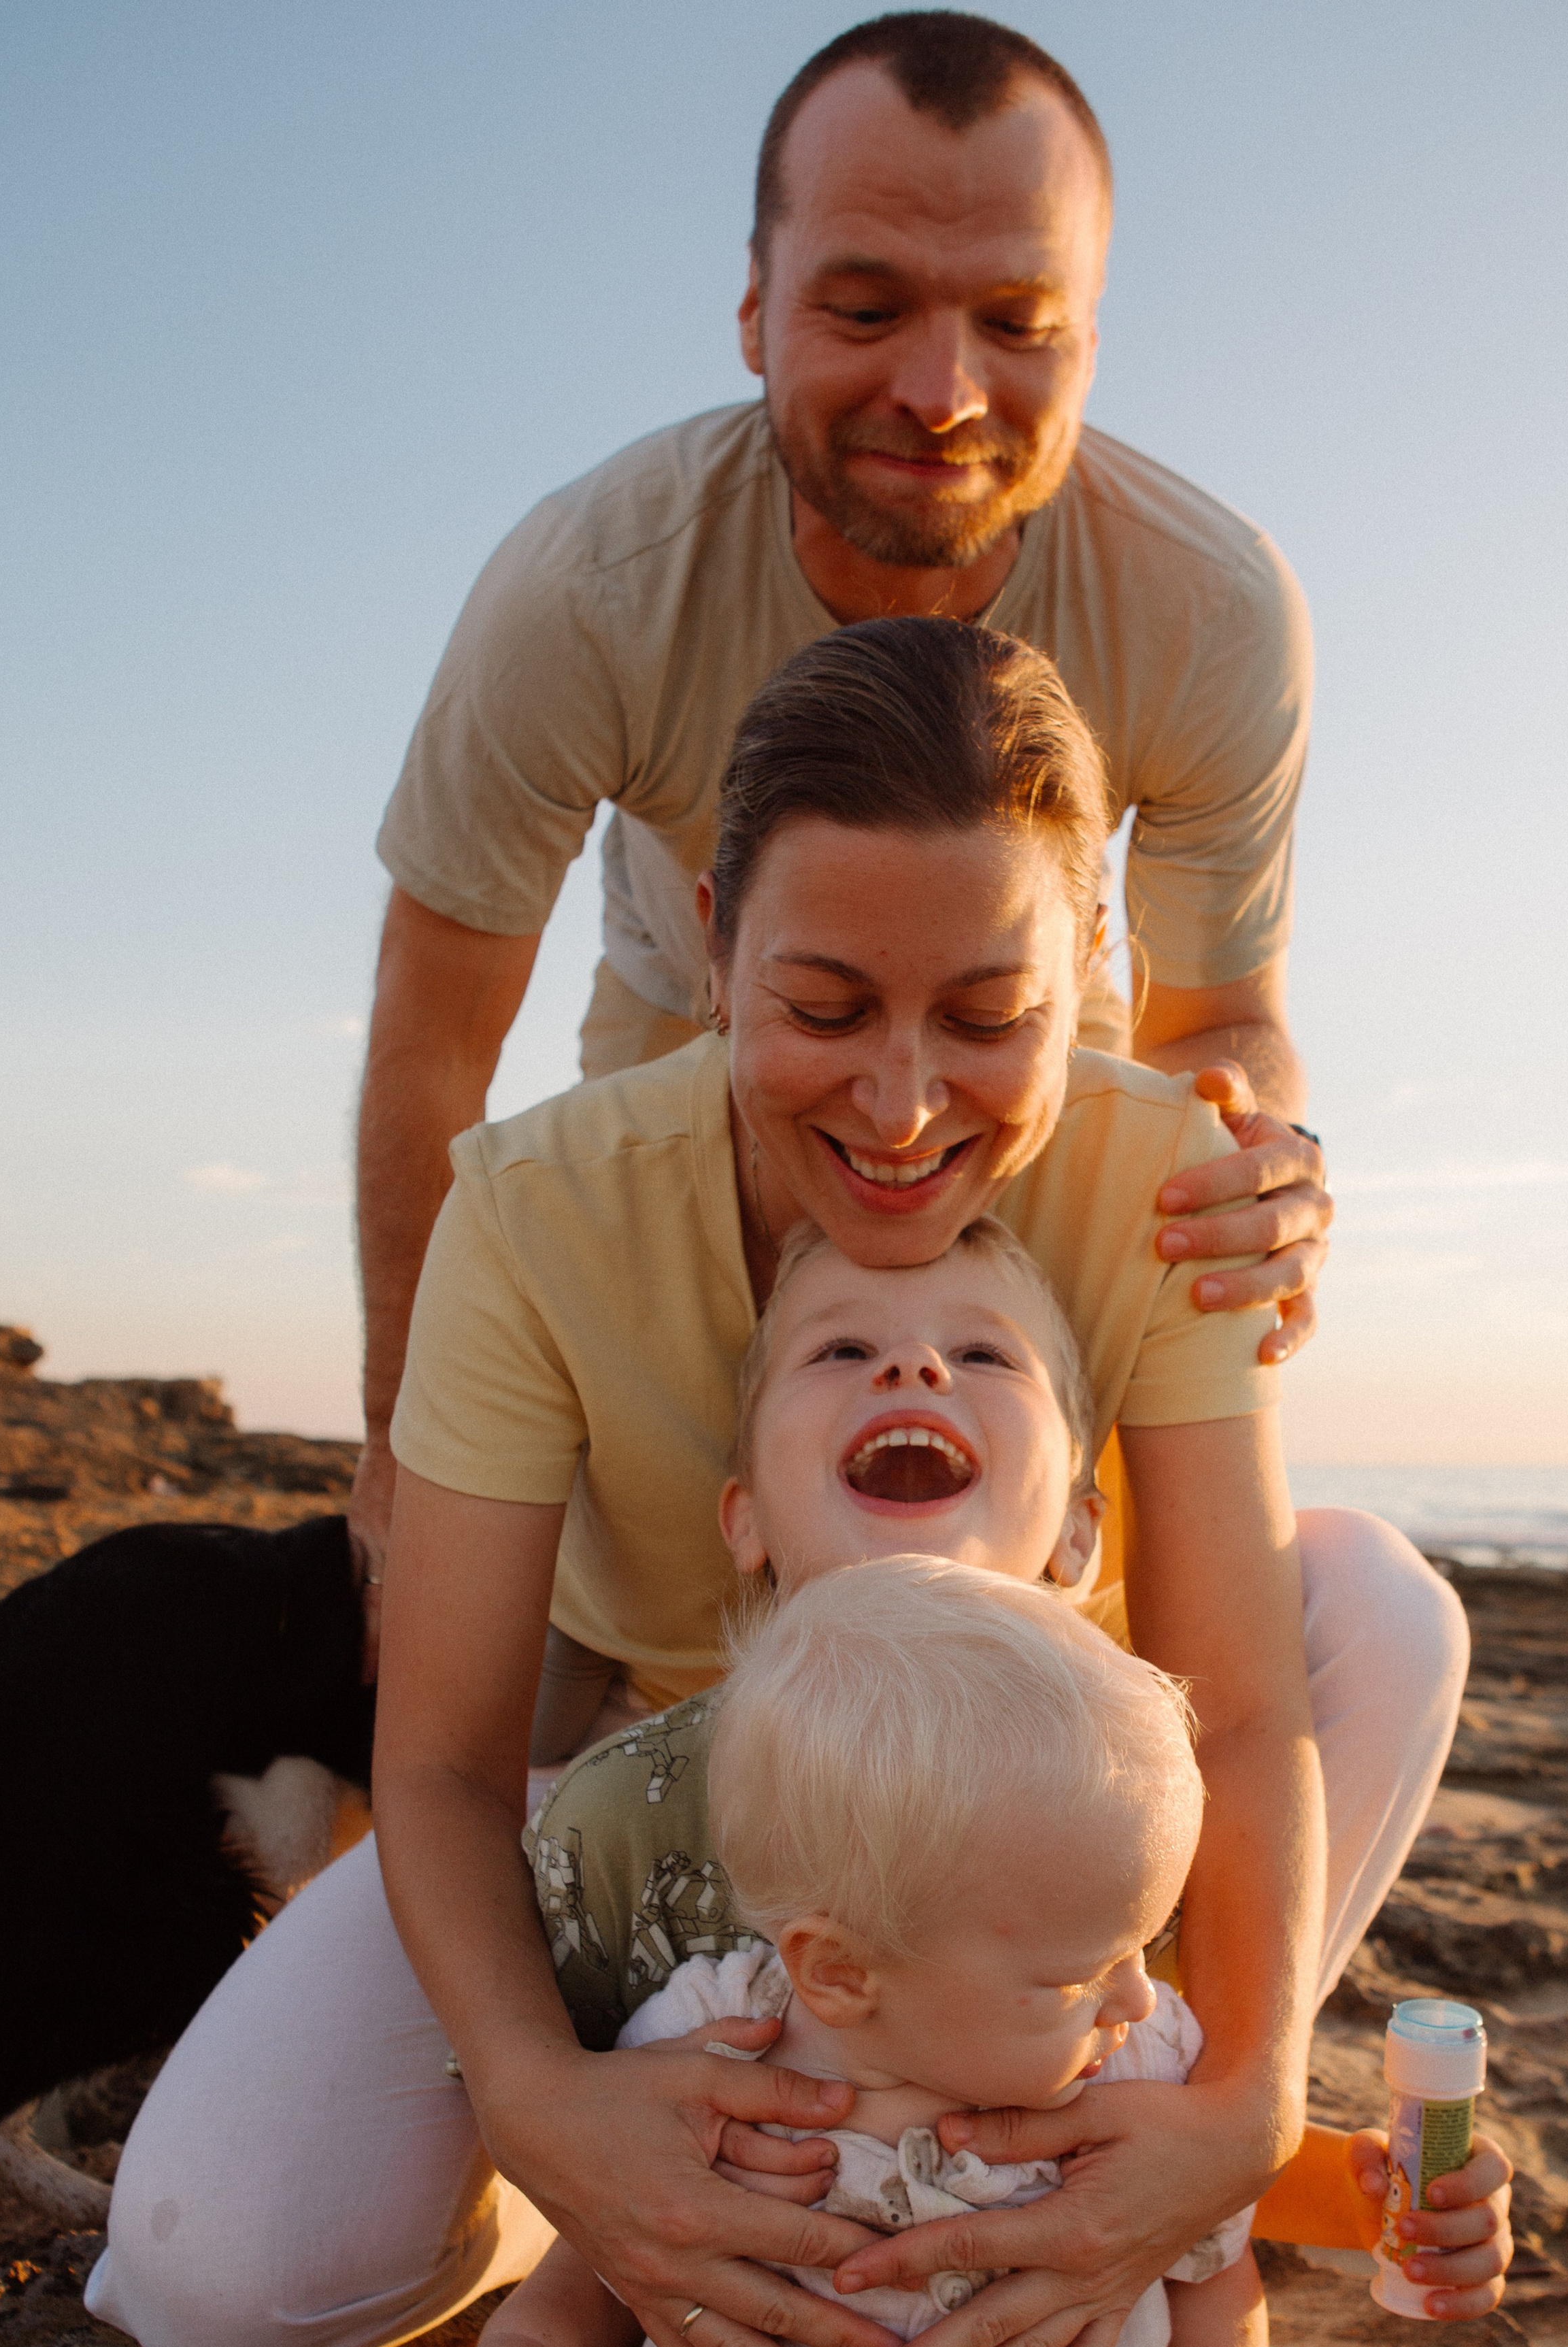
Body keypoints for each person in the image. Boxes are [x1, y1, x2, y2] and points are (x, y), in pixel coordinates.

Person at [88, 621, 1465, 2347]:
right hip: (678, 1806)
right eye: (823, 1006)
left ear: (1090, 981)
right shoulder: (535, 1209)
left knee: (1378, 1601)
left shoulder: (1168, 1175)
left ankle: (1117, 2201)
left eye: (991, 1017)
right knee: (205, 2279)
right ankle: (586, 2241)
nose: (904, 1108)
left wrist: (1240, 2118)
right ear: (717, 936)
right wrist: (547, 2112)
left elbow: (1232, 1705)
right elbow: (442, 1763)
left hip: (1049, 1805)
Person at [313, 1221, 1507, 2347]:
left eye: (984, 1351)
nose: (917, 1362)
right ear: (742, 1513)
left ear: (1078, 1530)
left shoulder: (1124, 1815)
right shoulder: (683, 1921)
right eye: (841, 1349)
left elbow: (1204, 2229)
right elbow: (610, 2199)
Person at [350, 10, 1335, 1604]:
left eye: (1016, 322)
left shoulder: (1211, 610)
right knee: (662, 1584)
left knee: (1099, 1613)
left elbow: (1220, 1019)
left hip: (1040, 1093)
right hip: (694, 1059)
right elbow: (435, 1039)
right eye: (866, 306)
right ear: (753, 310)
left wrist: (1259, 1156)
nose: (940, 392)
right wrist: (399, 1440)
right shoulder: (587, 592)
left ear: (1089, 338)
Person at [327, 1558, 1355, 2347]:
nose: (1136, 1997)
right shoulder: (716, 2051)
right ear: (839, 1973)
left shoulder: (1132, 2075)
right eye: (1079, 1974)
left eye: (1145, 1943)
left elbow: (1214, 2274)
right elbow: (621, 2238)